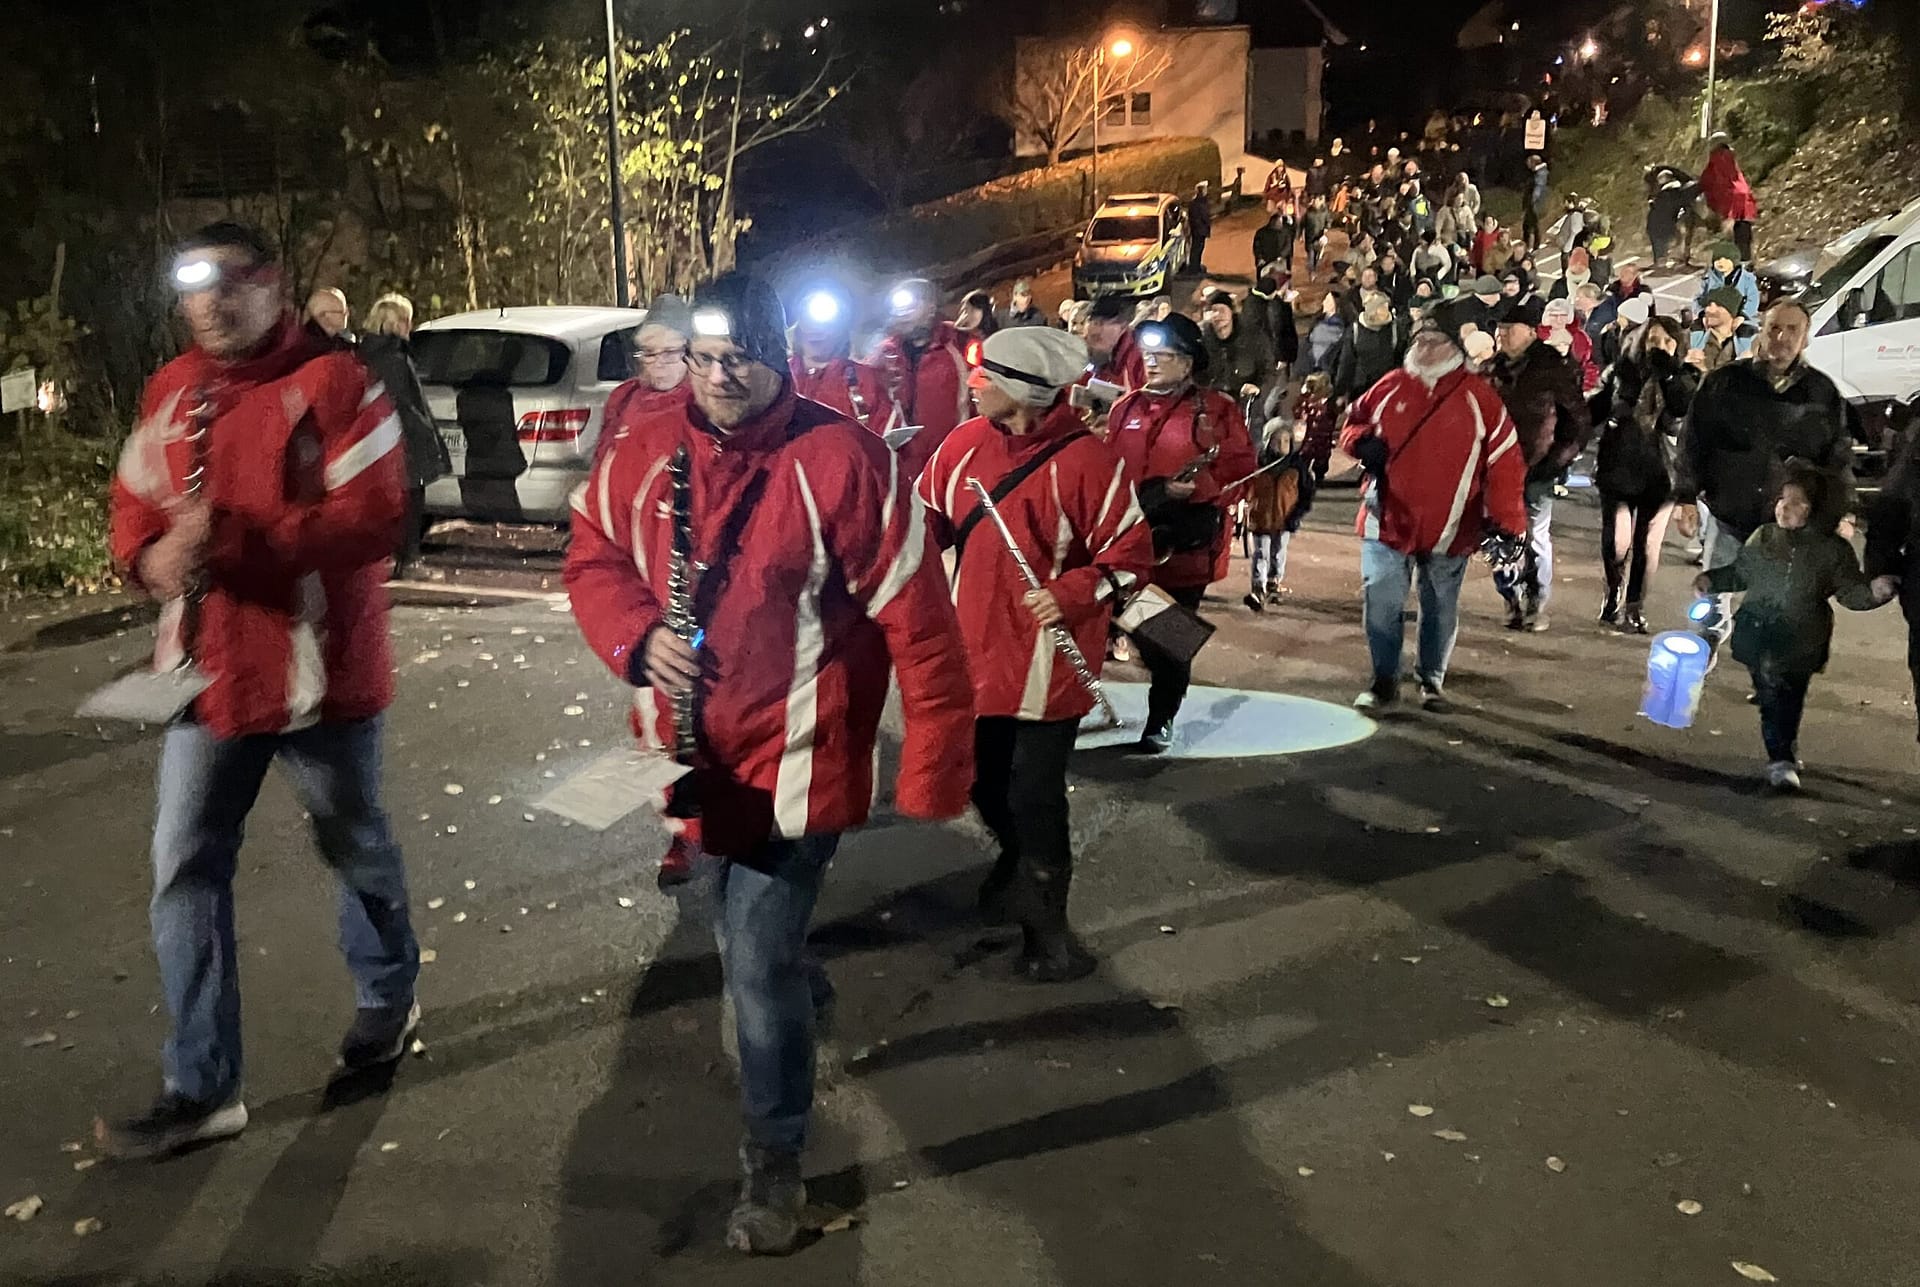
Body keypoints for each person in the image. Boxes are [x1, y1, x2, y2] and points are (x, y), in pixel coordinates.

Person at [564, 271, 974, 1255]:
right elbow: (594, 553)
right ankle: (799, 985)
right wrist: (632, 634)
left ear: (780, 354)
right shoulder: (644, 446)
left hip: (798, 762)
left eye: (739, 358)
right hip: (687, 754)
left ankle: (775, 1166)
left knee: (750, 964)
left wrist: (935, 760)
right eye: (703, 358)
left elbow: (920, 619)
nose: (718, 377)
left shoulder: (843, 459)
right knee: (742, 930)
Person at [101, 221, 417, 1159]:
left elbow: (375, 516)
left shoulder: (339, 382)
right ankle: (203, 1085)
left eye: (231, 282)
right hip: (204, 680)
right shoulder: (171, 388)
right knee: (184, 868)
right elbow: (134, 498)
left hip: (321, 680)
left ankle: (387, 993)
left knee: (354, 847)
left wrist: (239, 541)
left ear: (273, 284)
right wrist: (145, 557)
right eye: (195, 287)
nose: (211, 303)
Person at [916, 328, 1153, 981]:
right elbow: (926, 522)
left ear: (1020, 391)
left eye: (985, 377)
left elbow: (1131, 556)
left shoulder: (1088, 462)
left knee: (1036, 795)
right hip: (973, 650)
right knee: (979, 781)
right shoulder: (963, 444)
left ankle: (1049, 934)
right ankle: (1016, 865)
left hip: (1047, 664)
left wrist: (1073, 591)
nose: (972, 385)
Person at [1339, 328, 1526, 711]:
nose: (1425, 347)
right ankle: (1384, 682)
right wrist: (1360, 442)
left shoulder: (1479, 397)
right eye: (1420, 340)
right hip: (1386, 519)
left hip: (1452, 525)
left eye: (1435, 340)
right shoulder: (1391, 385)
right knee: (1381, 603)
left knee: (1439, 607)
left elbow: (1505, 460)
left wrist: (1507, 519)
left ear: (1454, 347)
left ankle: (1431, 680)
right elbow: (1353, 422)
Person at [1105, 315, 1257, 752]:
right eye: (1148, 355)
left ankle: (1161, 719)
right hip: (1127, 542)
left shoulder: (1216, 410)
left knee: (1168, 637)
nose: (1151, 363)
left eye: (1163, 356)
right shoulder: (1125, 408)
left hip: (1183, 547)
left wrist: (1195, 489)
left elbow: (1240, 470)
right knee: (1131, 623)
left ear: (1188, 363)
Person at [1674, 299, 1858, 645]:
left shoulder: (1821, 393)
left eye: (1792, 330)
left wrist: (1842, 510)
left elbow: (1837, 455)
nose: (1781, 337)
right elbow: (1693, 440)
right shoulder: (1725, 382)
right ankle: (1703, 649)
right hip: (1729, 514)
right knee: (1711, 600)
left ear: (1805, 338)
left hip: (1788, 527)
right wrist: (1685, 497)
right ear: (1761, 331)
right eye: (1774, 328)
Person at [1696, 466, 1891, 791]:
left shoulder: (1832, 551)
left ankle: (1782, 756)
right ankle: (1782, 752)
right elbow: (1742, 572)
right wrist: (1711, 580)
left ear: (1816, 509)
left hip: (1801, 639)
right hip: (1758, 633)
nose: (1783, 508)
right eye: (1781, 500)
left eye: (1795, 502)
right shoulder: (1765, 537)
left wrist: (1874, 593)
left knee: (1788, 697)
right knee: (1770, 696)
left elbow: (1849, 591)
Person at [1485, 297, 1593, 632]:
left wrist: (1556, 462)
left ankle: (1535, 599)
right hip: (1496, 470)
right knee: (1499, 537)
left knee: (1533, 536)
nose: (1502, 335)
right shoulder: (1492, 369)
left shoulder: (1552, 368)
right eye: (1499, 329)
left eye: (1510, 328)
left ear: (1532, 332)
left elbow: (1577, 422)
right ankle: (1510, 597)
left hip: (1538, 468)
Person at [1590, 315, 1698, 632]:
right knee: (1616, 542)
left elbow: (1682, 409)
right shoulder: (1622, 372)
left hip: (1661, 473)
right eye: (1653, 340)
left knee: (1647, 544)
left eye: (1667, 341)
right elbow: (1596, 409)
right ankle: (1613, 592)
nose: (1659, 347)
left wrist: (1667, 373)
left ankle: (1635, 606)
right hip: (1619, 467)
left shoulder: (1686, 377)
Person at [357, 293, 448, 578]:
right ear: (393, 322)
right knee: (411, 501)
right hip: (403, 440)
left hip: (381, 441)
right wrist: (425, 436)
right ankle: (409, 560)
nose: (410, 325)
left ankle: (392, 559)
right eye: (405, 319)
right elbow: (403, 403)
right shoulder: (393, 357)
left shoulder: (368, 354)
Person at [871, 277, 970, 478]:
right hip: (902, 465)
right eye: (898, 308)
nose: (903, 314)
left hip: (953, 460)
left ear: (931, 308)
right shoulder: (884, 354)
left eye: (911, 306)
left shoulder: (958, 343)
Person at [598, 294, 693, 468]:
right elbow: (602, 456)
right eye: (649, 353)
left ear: (689, 353)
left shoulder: (702, 405)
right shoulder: (623, 398)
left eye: (670, 353)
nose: (659, 363)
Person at [1242, 414, 1314, 610]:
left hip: (1285, 518)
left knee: (1278, 553)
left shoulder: (1296, 466)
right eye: (1277, 441)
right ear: (1268, 441)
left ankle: (1274, 582)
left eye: (1286, 441)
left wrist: (1296, 515)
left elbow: (1306, 493)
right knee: (1260, 553)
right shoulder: (1258, 463)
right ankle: (1258, 587)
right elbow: (1245, 485)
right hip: (1261, 517)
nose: (1282, 445)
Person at [788, 293, 890, 431]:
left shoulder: (865, 378)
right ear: (798, 330)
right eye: (807, 322)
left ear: (840, 333)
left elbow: (885, 432)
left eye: (825, 325)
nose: (816, 331)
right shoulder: (779, 377)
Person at [1200, 289, 1276, 405]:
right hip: (1213, 402)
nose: (1218, 315)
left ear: (1231, 312)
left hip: (1246, 402)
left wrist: (1257, 387)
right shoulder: (1202, 340)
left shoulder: (1253, 337)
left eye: (1222, 310)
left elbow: (1269, 369)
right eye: (1214, 310)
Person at [1333, 290, 1406, 403]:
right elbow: (1347, 362)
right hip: (1361, 390)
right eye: (1382, 308)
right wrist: (1341, 392)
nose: (1386, 311)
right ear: (1373, 311)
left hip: (1387, 389)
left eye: (1387, 307)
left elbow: (1400, 358)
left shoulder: (1395, 328)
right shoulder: (1356, 330)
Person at [1701, 132, 1759, 262]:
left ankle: (1735, 263)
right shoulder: (1732, 156)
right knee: (1744, 234)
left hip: (1729, 198)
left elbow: (1708, 180)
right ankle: (1748, 261)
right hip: (1744, 196)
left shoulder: (1715, 158)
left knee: (1729, 236)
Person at [1247, 263, 1301, 374]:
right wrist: (1280, 358)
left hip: (1262, 357)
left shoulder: (1251, 301)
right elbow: (1275, 333)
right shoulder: (1274, 307)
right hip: (1274, 358)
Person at [1687, 287, 1755, 374]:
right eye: (1708, 305)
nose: (1710, 310)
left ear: (1732, 311)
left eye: (1718, 305)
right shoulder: (1690, 340)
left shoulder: (1750, 343)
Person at [1539, 297, 1597, 393]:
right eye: (1554, 315)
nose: (1558, 320)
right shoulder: (1538, 335)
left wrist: (1584, 387)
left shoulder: (1581, 338)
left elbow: (1589, 364)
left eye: (1563, 315)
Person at [1694, 241, 1760, 323]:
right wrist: (1702, 314)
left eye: (1726, 259)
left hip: (1740, 318)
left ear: (1734, 261)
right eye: (1717, 259)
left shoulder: (1747, 279)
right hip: (1713, 318)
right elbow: (1698, 299)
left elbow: (1753, 299)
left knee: (1748, 329)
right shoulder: (1707, 279)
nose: (1721, 262)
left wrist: (1743, 316)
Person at [1294, 371, 1339, 480]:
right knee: (1303, 460)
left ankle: (1318, 478)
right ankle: (1303, 479)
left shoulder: (1328, 405)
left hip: (1322, 439)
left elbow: (1333, 417)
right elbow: (1297, 413)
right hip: (1307, 438)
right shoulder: (1305, 402)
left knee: (1321, 462)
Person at [1298, 290, 1347, 379]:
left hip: (1324, 366)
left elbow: (1315, 336)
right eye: (1325, 300)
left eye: (1328, 300)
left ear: (1335, 305)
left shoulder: (1338, 323)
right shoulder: (1319, 319)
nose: (1324, 302)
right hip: (1312, 362)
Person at [1253, 208, 1297, 274]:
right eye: (1278, 222)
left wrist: (1280, 256)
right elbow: (1257, 247)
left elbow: (1288, 246)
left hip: (1279, 261)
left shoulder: (1285, 232)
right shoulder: (1261, 233)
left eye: (1280, 222)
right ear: (1272, 222)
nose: (1280, 224)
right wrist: (1260, 258)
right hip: (1265, 261)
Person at [1522, 154, 1551, 251]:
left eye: (1529, 163)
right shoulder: (1539, 172)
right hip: (1536, 203)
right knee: (1532, 225)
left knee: (1532, 225)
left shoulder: (1540, 174)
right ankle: (1532, 245)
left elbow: (1538, 188)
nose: (1527, 165)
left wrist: (1532, 201)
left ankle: (1532, 246)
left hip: (1535, 204)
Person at [1187, 181, 1213, 273]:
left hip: (1200, 230)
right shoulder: (1197, 203)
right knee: (1196, 249)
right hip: (1199, 231)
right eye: (1205, 189)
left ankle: (1196, 266)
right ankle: (1194, 268)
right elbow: (1200, 217)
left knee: (1199, 249)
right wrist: (1204, 227)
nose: (1206, 191)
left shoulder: (1200, 202)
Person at [1303, 195, 1333, 275]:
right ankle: (1312, 271)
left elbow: (1328, 221)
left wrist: (1326, 228)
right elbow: (1303, 223)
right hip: (1309, 238)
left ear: (1320, 202)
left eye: (1315, 200)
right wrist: (1300, 234)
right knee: (1310, 255)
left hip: (1320, 238)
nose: (1314, 202)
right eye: (1313, 200)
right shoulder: (1308, 212)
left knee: (1317, 255)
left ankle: (1315, 268)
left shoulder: (1325, 212)